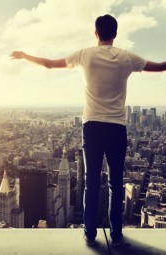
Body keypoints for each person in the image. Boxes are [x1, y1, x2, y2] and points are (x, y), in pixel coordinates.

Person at [10, 14, 166, 246]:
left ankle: (90, 233)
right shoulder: (126, 57)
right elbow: (161, 67)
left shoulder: (84, 55)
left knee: (90, 181)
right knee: (114, 183)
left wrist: (24, 56)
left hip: (92, 126)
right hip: (116, 128)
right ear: (115, 34)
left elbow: (49, 64)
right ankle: (116, 235)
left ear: (96, 33)